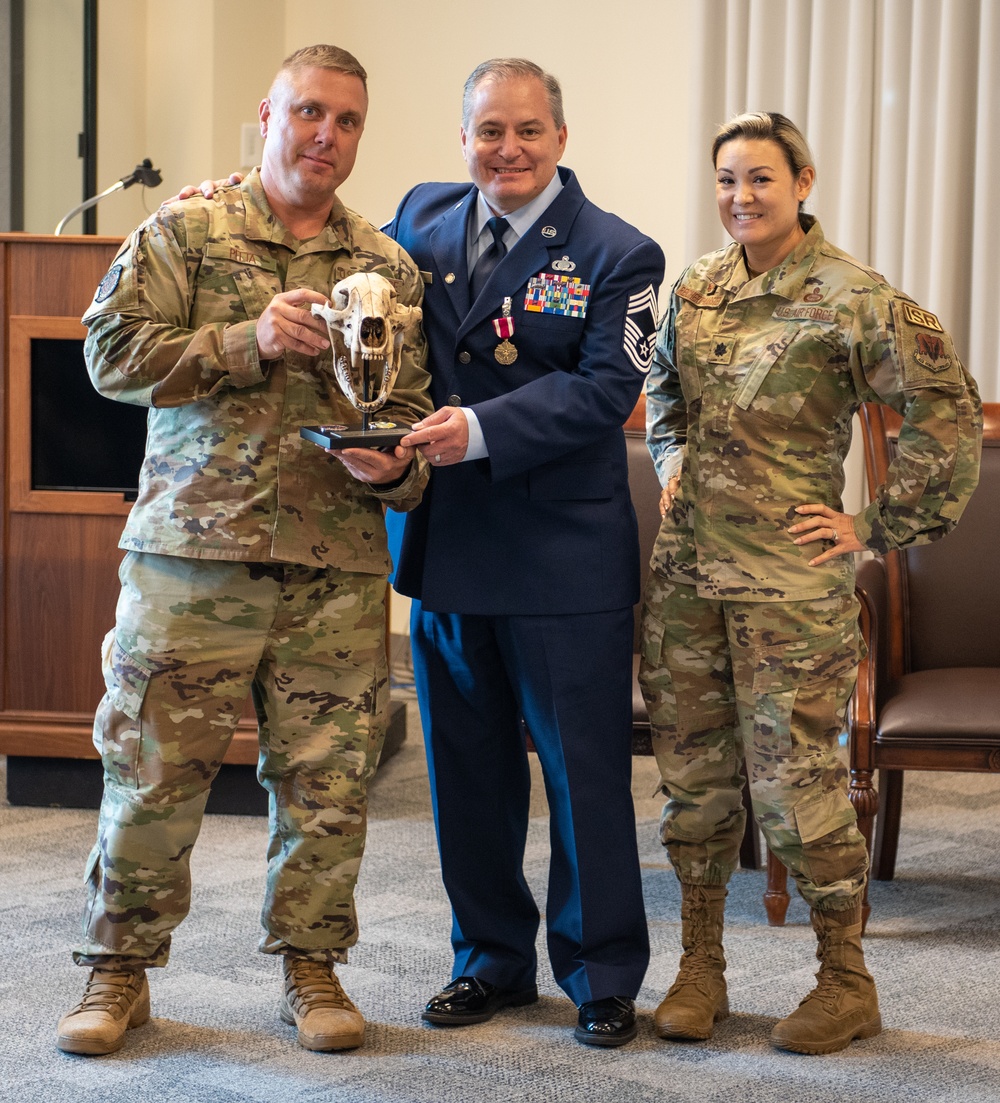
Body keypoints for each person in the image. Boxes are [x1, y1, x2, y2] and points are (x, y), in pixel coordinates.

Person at [55, 44, 431, 1058]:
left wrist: (395, 471)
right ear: (268, 113)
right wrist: (243, 341)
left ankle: (312, 966)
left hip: (333, 566)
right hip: (193, 558)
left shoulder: (385, 267)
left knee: (326, 782)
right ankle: (118, 970)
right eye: (309, 112)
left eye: (346, 121)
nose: (326, 136)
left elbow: (408, 416)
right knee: (151, 769)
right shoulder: (187, 227)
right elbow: (107, 354)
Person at [638, 111, 982, 1056]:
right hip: (686, 585)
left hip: (791, 588)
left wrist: (873, 525)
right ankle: (699, 965)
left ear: (803, 182)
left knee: (798, 787)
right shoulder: (697, 288)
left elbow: (944, 414)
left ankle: (844, 979)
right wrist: (667, 452)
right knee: (696, 786)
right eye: (725, 181)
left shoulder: (855, 299)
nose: (739, 197)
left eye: (758, 179)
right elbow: (661, 389)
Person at [383, 58, 665, 1047]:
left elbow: (602, 392)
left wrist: (482, 427)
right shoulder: (416, 218)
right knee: (465, 772)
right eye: (489, 130)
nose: (508, 149)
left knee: (580, 772)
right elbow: (335, 279)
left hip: (560, 556)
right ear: (462, 136)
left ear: (560, 137)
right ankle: (488, 958)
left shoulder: (616, 251)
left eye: (528, 131)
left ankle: (599, 970)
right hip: (448, 544)